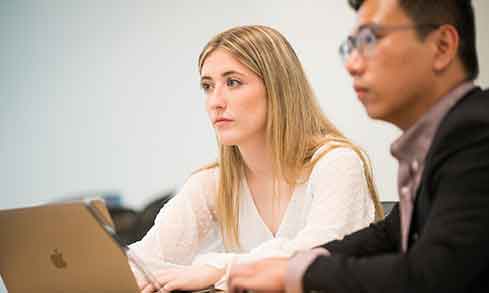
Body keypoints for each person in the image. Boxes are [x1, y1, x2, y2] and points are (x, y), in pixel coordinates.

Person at [228, 1, 489, 292]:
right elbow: (389, 234)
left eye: (370, 39)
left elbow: (432, 274)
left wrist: (301, 274)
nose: (352, 64)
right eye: (351, 45)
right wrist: (295, 263)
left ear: (442, 46)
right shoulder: (444, 138)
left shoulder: (477, 132)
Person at [129, 25, 384, 292]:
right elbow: (143, 262)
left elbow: (315, 254)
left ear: (278, 88)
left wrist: (216, 268)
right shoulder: (211, 183)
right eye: (207, 86)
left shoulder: (337, 164)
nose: (215, 101)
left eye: (233, 82)